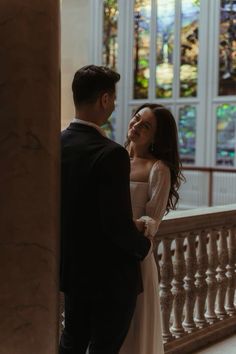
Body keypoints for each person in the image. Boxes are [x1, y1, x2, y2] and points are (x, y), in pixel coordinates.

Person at [59, 65, 153, 354]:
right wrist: (143, 245)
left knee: (71, 344)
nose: (113, 104)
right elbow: (116, 225)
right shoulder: (110, 153)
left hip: (73, 272)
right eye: (112, 98)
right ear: (103, 99)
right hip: (109, 279)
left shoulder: (56, 144)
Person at [120, 103, 184, 354]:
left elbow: (151, 222)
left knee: (135, 327)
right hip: (107, 253)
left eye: (145, 126)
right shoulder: (115, 156)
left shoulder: (158, 169)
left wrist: (128, 224)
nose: (136, 126)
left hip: (135, 256)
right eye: (136, 119)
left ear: (157, 136)